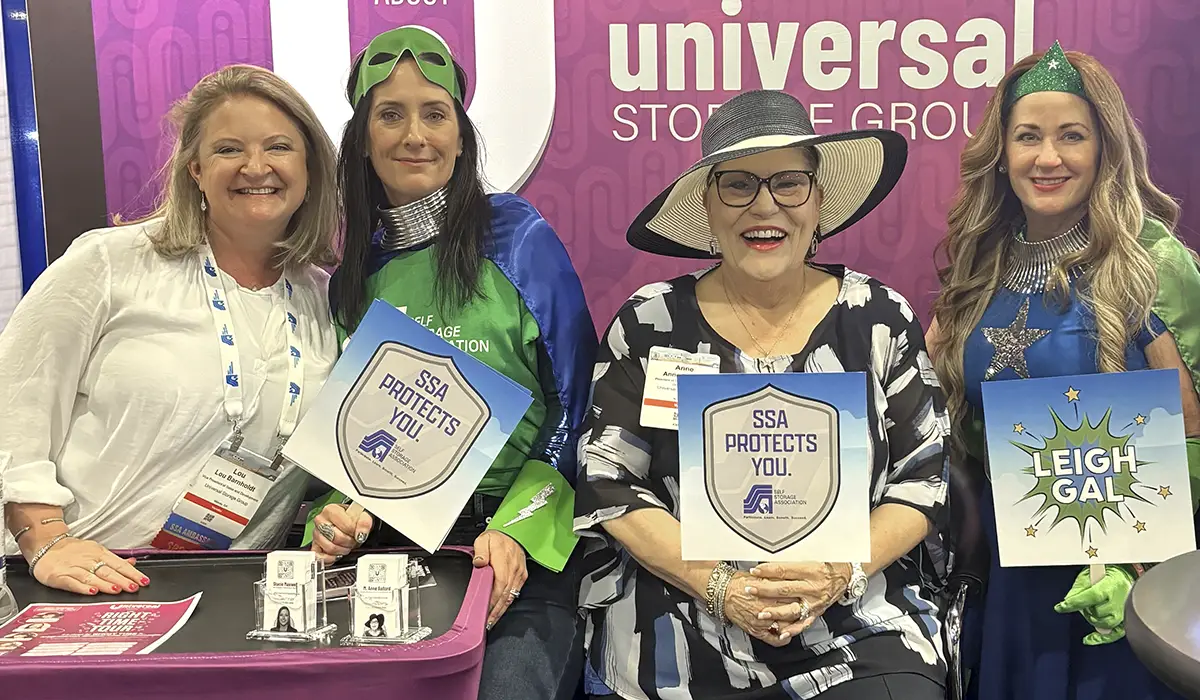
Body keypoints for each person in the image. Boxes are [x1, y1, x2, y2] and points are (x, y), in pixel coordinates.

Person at [574, 89, 951, 700]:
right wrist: (721, 585)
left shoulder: (877, 316)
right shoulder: (650, 322)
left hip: (855, 622)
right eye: (739, 184)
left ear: (819, 199)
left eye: (789, 183)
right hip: (682, 620)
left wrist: (840, 574)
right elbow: (609, 481)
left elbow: (923, 479)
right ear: (707, 206)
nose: (765, 204)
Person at [306, 26, 596, 700]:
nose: (415, 135)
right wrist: (335, 511)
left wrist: (518, 529)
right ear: (363, 139)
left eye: (435, 113)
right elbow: (351, 431)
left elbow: (578, 405)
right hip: (393, 545)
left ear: (461, 135)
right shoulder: (354, 273)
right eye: (391, 114)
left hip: (517, 548)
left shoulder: (518, 239)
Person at [926, 41, 1200, 700]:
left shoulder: (1154, 264)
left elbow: (1192, 430)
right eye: (1028, 137)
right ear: (1002, 154)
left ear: (1104, 149)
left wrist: (1143, 563)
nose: (1048, 158)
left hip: (1129, 585)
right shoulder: (976, 273)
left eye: (1071, 136)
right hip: (1010, 577)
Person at [0, 65, 340, 595]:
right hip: (75, 579)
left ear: (311, 168)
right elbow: (14, 403)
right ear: (195, 169)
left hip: (228, 598)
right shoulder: (109, 263)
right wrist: (45, 539)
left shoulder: (325, 301)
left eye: (279, 147)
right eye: (229, 149)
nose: (256, 166)